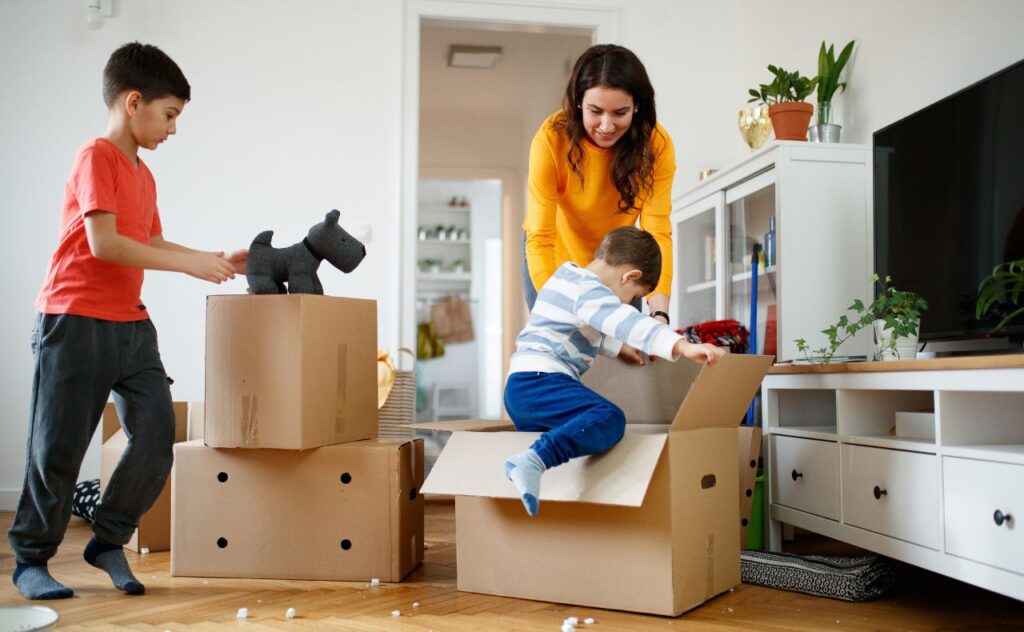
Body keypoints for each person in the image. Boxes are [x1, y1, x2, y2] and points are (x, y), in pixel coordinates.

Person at [8, 42, 247, 600]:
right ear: (133, 102)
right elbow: (105, 242)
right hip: (73, 318)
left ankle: (108, 539)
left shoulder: (144, 173)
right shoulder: (96, 156)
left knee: (157, 433)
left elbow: (152, 242)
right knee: (57, 449)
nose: (173, 129)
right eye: (170, 115)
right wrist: (188, 264)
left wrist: (212, 257)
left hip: (131, 325)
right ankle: (31, 560)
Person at [503, 227, 724, 516]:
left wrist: (617, 347)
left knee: (568, 451)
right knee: (608, 417)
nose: (624, 302)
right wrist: (681, 346)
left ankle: (535, 474)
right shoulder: (588, 289)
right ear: (629, 276)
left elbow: (584, 325)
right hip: (541, 382)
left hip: (522, 390)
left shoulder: (568, 280)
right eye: (632, 296)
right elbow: (623, 321)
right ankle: (533, 460)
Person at [523, 44, 676, 332]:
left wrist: (659, 316)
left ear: (637, 106)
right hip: (553, 255)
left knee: (619, 362)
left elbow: (657, 233)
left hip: (618, 264)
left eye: (620, 112)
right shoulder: (550, 139)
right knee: (562, 347)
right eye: (595, 111)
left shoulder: (656, 146)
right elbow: (540, 236)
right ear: (579, 101)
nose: (606, 126)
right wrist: (559, 305)